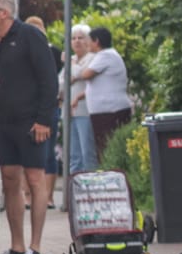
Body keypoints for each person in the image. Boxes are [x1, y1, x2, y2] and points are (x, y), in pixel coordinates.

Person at [0, 0, 57, 254]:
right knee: (9, 179)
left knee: (35, 180)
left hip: (31, 122)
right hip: (4, 123)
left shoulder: (29, 36)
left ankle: (35, 248)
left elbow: (49, 79)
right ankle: (16, 245)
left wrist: (44, 120)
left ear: (5, 13)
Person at [22, 16, 64, 214]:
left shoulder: (53, 52)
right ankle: (27, 195)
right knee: (23, 154)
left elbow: (59, 81)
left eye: (38, 29)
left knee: (47, 153)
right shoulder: (19, 50)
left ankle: (47, 196)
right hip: (25, 109)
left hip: (48, 109)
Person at [77, 25, 133, 158]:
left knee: (107, 151)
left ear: (96, 41)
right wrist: (79, 97)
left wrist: (71, 63)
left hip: (110, 111)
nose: (87, 44)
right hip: (107, 111)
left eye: (89, 40)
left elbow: (85, 74)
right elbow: (102, 84)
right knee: (105, 150)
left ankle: (113, 176)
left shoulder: (105, 55)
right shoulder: (107, 55)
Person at [66, 23, 97, 176]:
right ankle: (73, 191)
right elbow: (61, 83)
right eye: (73, 38)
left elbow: (82, 75)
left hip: (85, 111)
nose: (77, 41)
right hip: (69, 112)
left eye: (81, 38)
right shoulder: (70, 59)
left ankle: (91, 189)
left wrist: (71, 67)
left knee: (87, 154)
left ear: (88, 41)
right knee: (73, 156)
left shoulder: (93, 58)